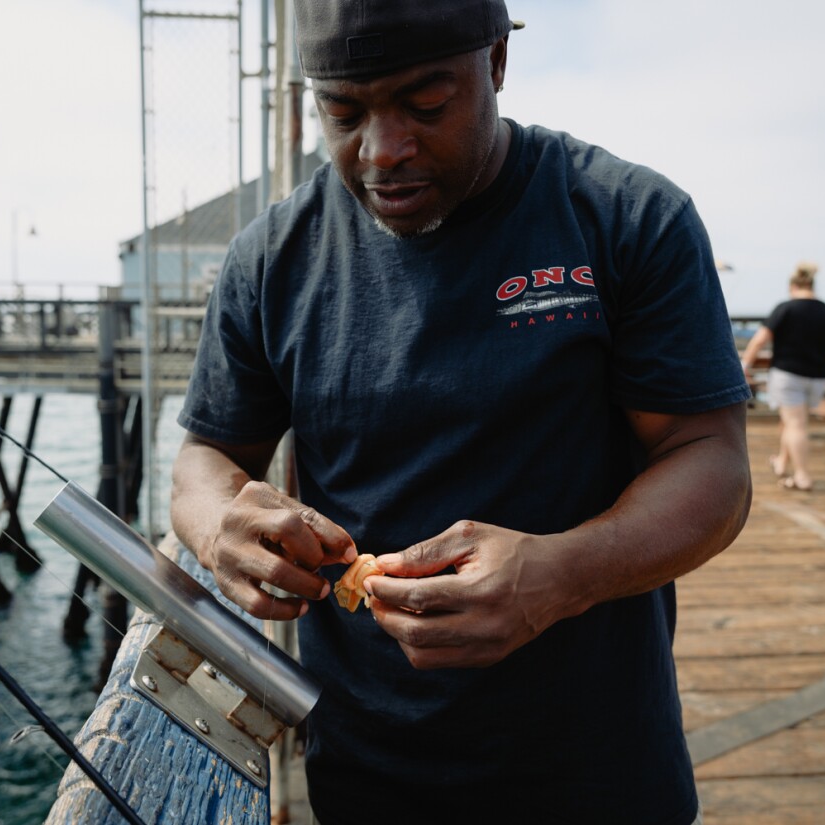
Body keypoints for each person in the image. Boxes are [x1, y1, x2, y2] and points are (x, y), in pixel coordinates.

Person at [170, 2, 752, 822]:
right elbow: (204, 460)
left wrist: (561, 575)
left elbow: (711, 460)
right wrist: (216, 528)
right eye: (344, 111)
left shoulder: (625, 217)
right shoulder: (270, 257)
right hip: (364, 770)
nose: (383, 150)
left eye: (426, 104)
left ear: (497, 65)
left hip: (599, 768)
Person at [741, 262, 825, 491]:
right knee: (791, 420)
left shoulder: (785, 308)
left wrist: (745, 365)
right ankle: (781, 461)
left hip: (787, 375)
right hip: (817, 377)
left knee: (796, 424)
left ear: (792, 286)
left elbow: (760, 340)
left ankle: (802, 477)